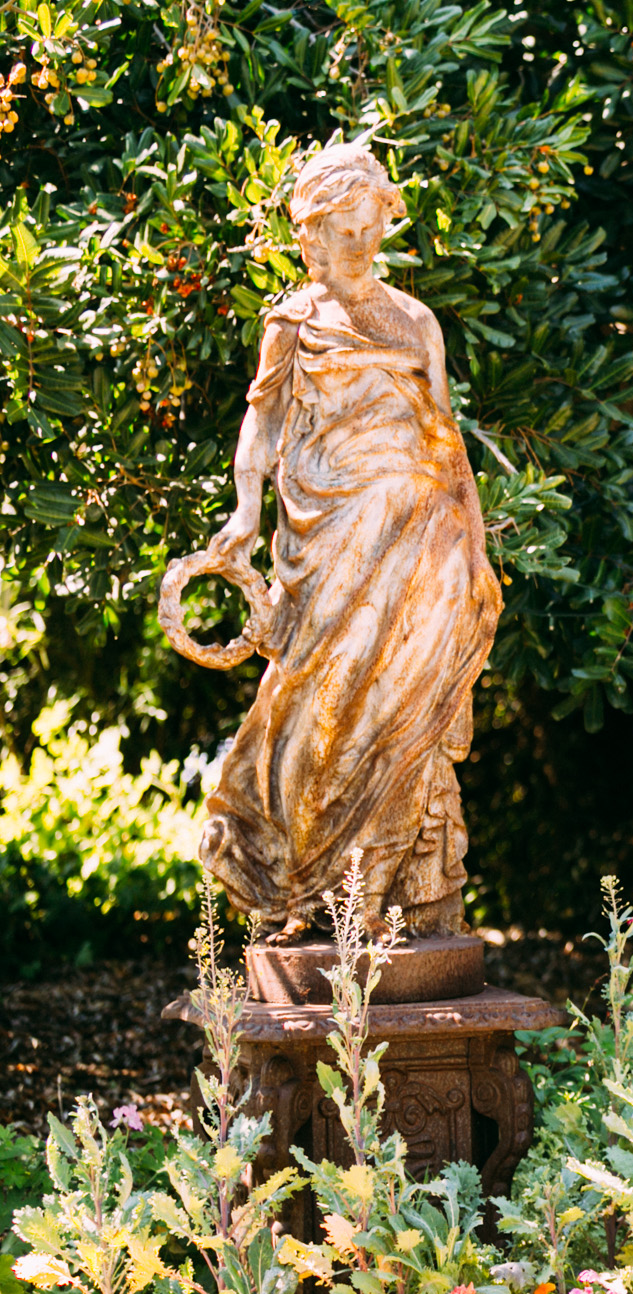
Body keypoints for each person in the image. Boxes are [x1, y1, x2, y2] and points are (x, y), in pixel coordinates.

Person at [196, 140, 500, 944]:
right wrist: (245, 513)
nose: (362, 245)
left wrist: (471, 548)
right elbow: (259, 425)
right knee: (317, 712)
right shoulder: (293, 323)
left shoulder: (415, 321)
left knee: (405, 709)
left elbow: (447, 442)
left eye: (373, 228)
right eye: (345, 231)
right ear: (312, 235)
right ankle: (310, 891)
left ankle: (396, 900)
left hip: (421, 544)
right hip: (328, 549)